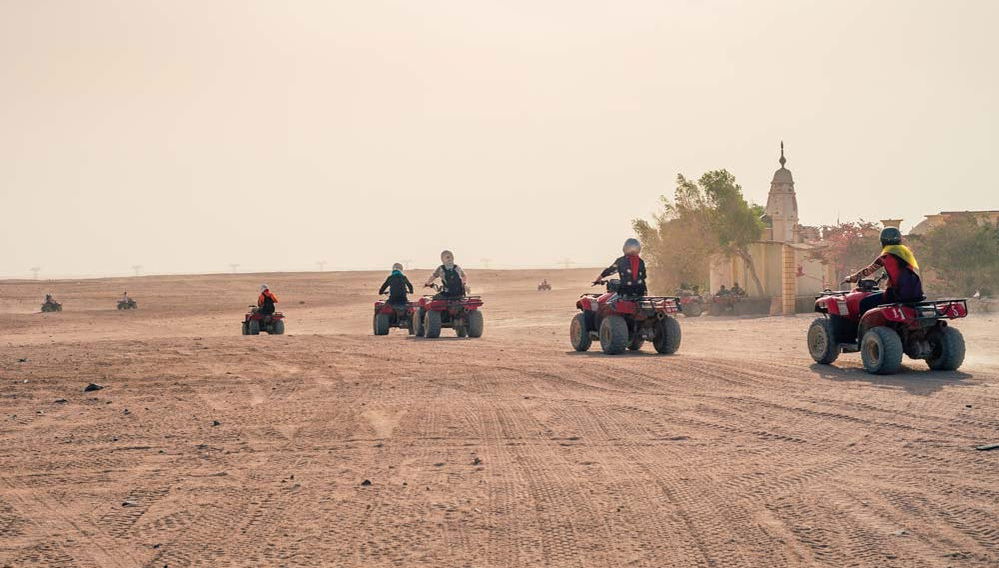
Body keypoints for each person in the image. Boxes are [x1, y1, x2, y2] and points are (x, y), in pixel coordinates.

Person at [844, 227, 924, 314]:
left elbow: (868, 271)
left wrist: (852, 278)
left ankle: (866, 323)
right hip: (916, 293)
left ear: (882, 242)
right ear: (899, 240)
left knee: (864, 303)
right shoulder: (906, 254)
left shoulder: (885, 257)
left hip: (897, 294)